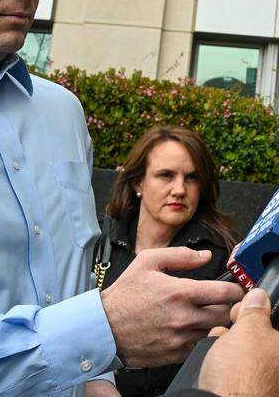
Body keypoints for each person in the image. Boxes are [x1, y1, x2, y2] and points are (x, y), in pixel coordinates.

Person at [0, 0, 244, 396]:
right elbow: (89, 325)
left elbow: (66, 290)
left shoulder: (62, 112)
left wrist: (98, 377)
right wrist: (102, 331)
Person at [99, 126, 241, 396]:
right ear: (137, 182)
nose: (179, 189)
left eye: (191, 178)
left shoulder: (224, 255)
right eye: (166, 175)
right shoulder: (98, 242)